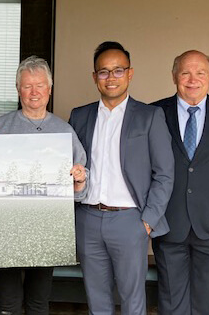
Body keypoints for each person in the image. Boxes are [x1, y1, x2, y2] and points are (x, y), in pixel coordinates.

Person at [69, 41, 174, 315]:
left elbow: (164, 173)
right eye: (103, 72)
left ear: (130, 73)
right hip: (88, 219)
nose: (111, 77)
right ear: (95, 77)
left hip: (130, 221)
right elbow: (64, 162)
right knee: (97, 299)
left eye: (118, 70)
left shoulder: (150, 116)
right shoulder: (79, 116)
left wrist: (148, 222)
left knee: (132, 300)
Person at [0, 55, 88, 315]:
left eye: (40, 85)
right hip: (6, 228)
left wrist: (78, 181)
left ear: (49, 90)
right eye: (27, 85)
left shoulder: (64, 132)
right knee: (7, 303)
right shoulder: (0, 127)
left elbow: (81, 190)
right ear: (18, 89)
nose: (34, 92)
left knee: (38, 302)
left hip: (47, 228)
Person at [151, 50, 209, 314]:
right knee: (171, 303)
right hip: (168, 222)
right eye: (185, 73)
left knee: (206, 303)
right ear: (174, 77)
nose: (193, 79)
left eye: (200, 73)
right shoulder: (154, 113)